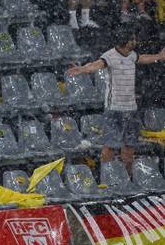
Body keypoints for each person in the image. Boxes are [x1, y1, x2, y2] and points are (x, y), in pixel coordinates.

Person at [66, 27, 165, 173]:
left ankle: (127, 176)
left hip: (131, 108)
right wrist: (82, 70)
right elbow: (95, 65)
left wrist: (159, 57)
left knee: (129, 145)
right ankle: (106, 174)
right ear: (125, 41)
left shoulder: (131, 55)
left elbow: (143, 58)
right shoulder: (109, 56)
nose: (135, 41)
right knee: (110, 145)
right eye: (132, 39)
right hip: (114, 109)